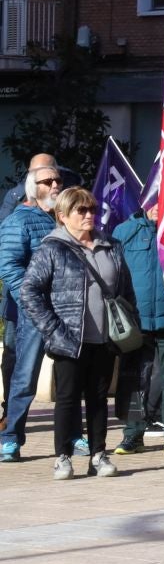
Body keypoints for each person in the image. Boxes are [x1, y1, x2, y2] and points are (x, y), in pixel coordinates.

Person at [16, 187, 130, 480]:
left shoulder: (111, 245)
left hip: (104, 339)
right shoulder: (52, 248)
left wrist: (128, 327)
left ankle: (98, 455)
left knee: (98, 398)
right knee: (67, 399)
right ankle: (63, 457)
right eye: (81, 210)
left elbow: (125, 291)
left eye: (91, 209)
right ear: (63, 215)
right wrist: (53, 329)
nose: (89, 215)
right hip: (68, 340)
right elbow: (29, 291)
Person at [0, 160, 63, 461]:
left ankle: (73, 436)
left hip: (67, 311)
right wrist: (29, 299)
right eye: (47, 181)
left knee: (70, 377)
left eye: (57, 180)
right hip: (34, 312)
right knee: (24, 376)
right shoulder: (18, 221)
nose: (54, 185)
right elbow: (9, 266)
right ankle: (11, 437)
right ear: (32, 189)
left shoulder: (65, 220)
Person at [113, 204, 164, 456]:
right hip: (135, 320)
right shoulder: (124, 231)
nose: (156, 207)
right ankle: (133, 435)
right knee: (134, 379)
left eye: (161, 199)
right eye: (152, 201)